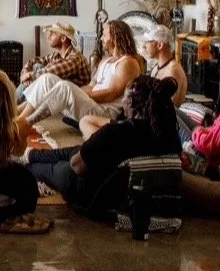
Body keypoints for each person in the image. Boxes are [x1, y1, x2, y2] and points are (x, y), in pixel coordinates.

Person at [24, 76, 181, 209]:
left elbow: (77, 166)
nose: (122, 102)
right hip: (133, 198)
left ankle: (29, 162)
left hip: (93, 195)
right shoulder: (168, 134)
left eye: (124, 98)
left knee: (50, 168)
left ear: (131, 103)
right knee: (73, 150)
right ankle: (31, 154)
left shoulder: (117, 131)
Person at [17, 20, 145, 127]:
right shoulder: (106, 61)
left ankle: (26, 123)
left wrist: (79, 94)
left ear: (116, 38)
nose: (101, 38)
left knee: (65, 87)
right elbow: (91, 85)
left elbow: (111, 94)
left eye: (104, 35)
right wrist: (79, 94)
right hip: (92, 103)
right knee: (47, 79)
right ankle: (19, 116)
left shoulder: (128, 63)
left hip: (105, 112)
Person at [80, 24, 187, 138]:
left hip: (155, 127)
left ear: (160, 45)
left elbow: (166, 110)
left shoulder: (173, 70)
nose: (145, 46)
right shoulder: (157, 67)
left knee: (90, 125)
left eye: (148, 42)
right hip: (145, 119)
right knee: (86, 122)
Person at [17, 21, 92, 101]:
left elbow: (51, 72)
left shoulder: (75, 57)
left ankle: (11, 104)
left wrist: (30, 76)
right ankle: (13, 104)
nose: (48, 37)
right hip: (60, 94)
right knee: (37, 66)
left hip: (74, 98)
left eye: (53, 34)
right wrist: (25, 72)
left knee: (39, 73)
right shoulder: (57, 55)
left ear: (63, 39)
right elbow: (35, 60)